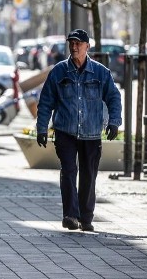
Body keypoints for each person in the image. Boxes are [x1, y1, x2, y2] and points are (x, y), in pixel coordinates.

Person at [35, 29, 122, 233]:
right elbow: (46, 101)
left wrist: (114, 122)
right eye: (71, 43)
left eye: (78, 44)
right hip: (65, 131)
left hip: (91, 132)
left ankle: (86, 217)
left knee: (88, 174)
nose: (74, 47)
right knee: (68, 171)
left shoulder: (101, 72)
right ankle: (70, 215)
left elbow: (113, 98)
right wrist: (41, 128)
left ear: (87, 47)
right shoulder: (58, 72)